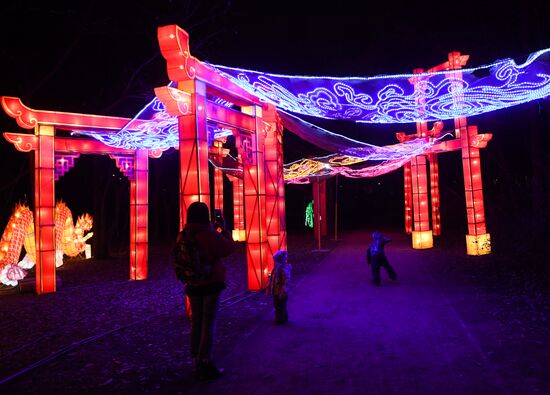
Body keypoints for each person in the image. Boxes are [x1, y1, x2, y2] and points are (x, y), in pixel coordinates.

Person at [176, 201, 235, 381]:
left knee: (196, 322)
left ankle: (196, 359)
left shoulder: (183, 235)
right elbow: (229, 248)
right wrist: (223, 230)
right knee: (209, 323)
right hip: (210, 284)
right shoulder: (207, 234)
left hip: (192, 284)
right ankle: (205, 362)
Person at [266, 250, 292, 324]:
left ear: (281, 261)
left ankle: (280, 319)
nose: (275, 263)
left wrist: (283, 291)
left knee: (281, 306)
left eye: (276, 261)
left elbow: (286, 282)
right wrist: (268, 288)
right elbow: (271, 280)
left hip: (281, 292)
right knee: (277, 305)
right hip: (275, 291)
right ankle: (281, 318)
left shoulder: (283, 270)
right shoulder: (275, 269)